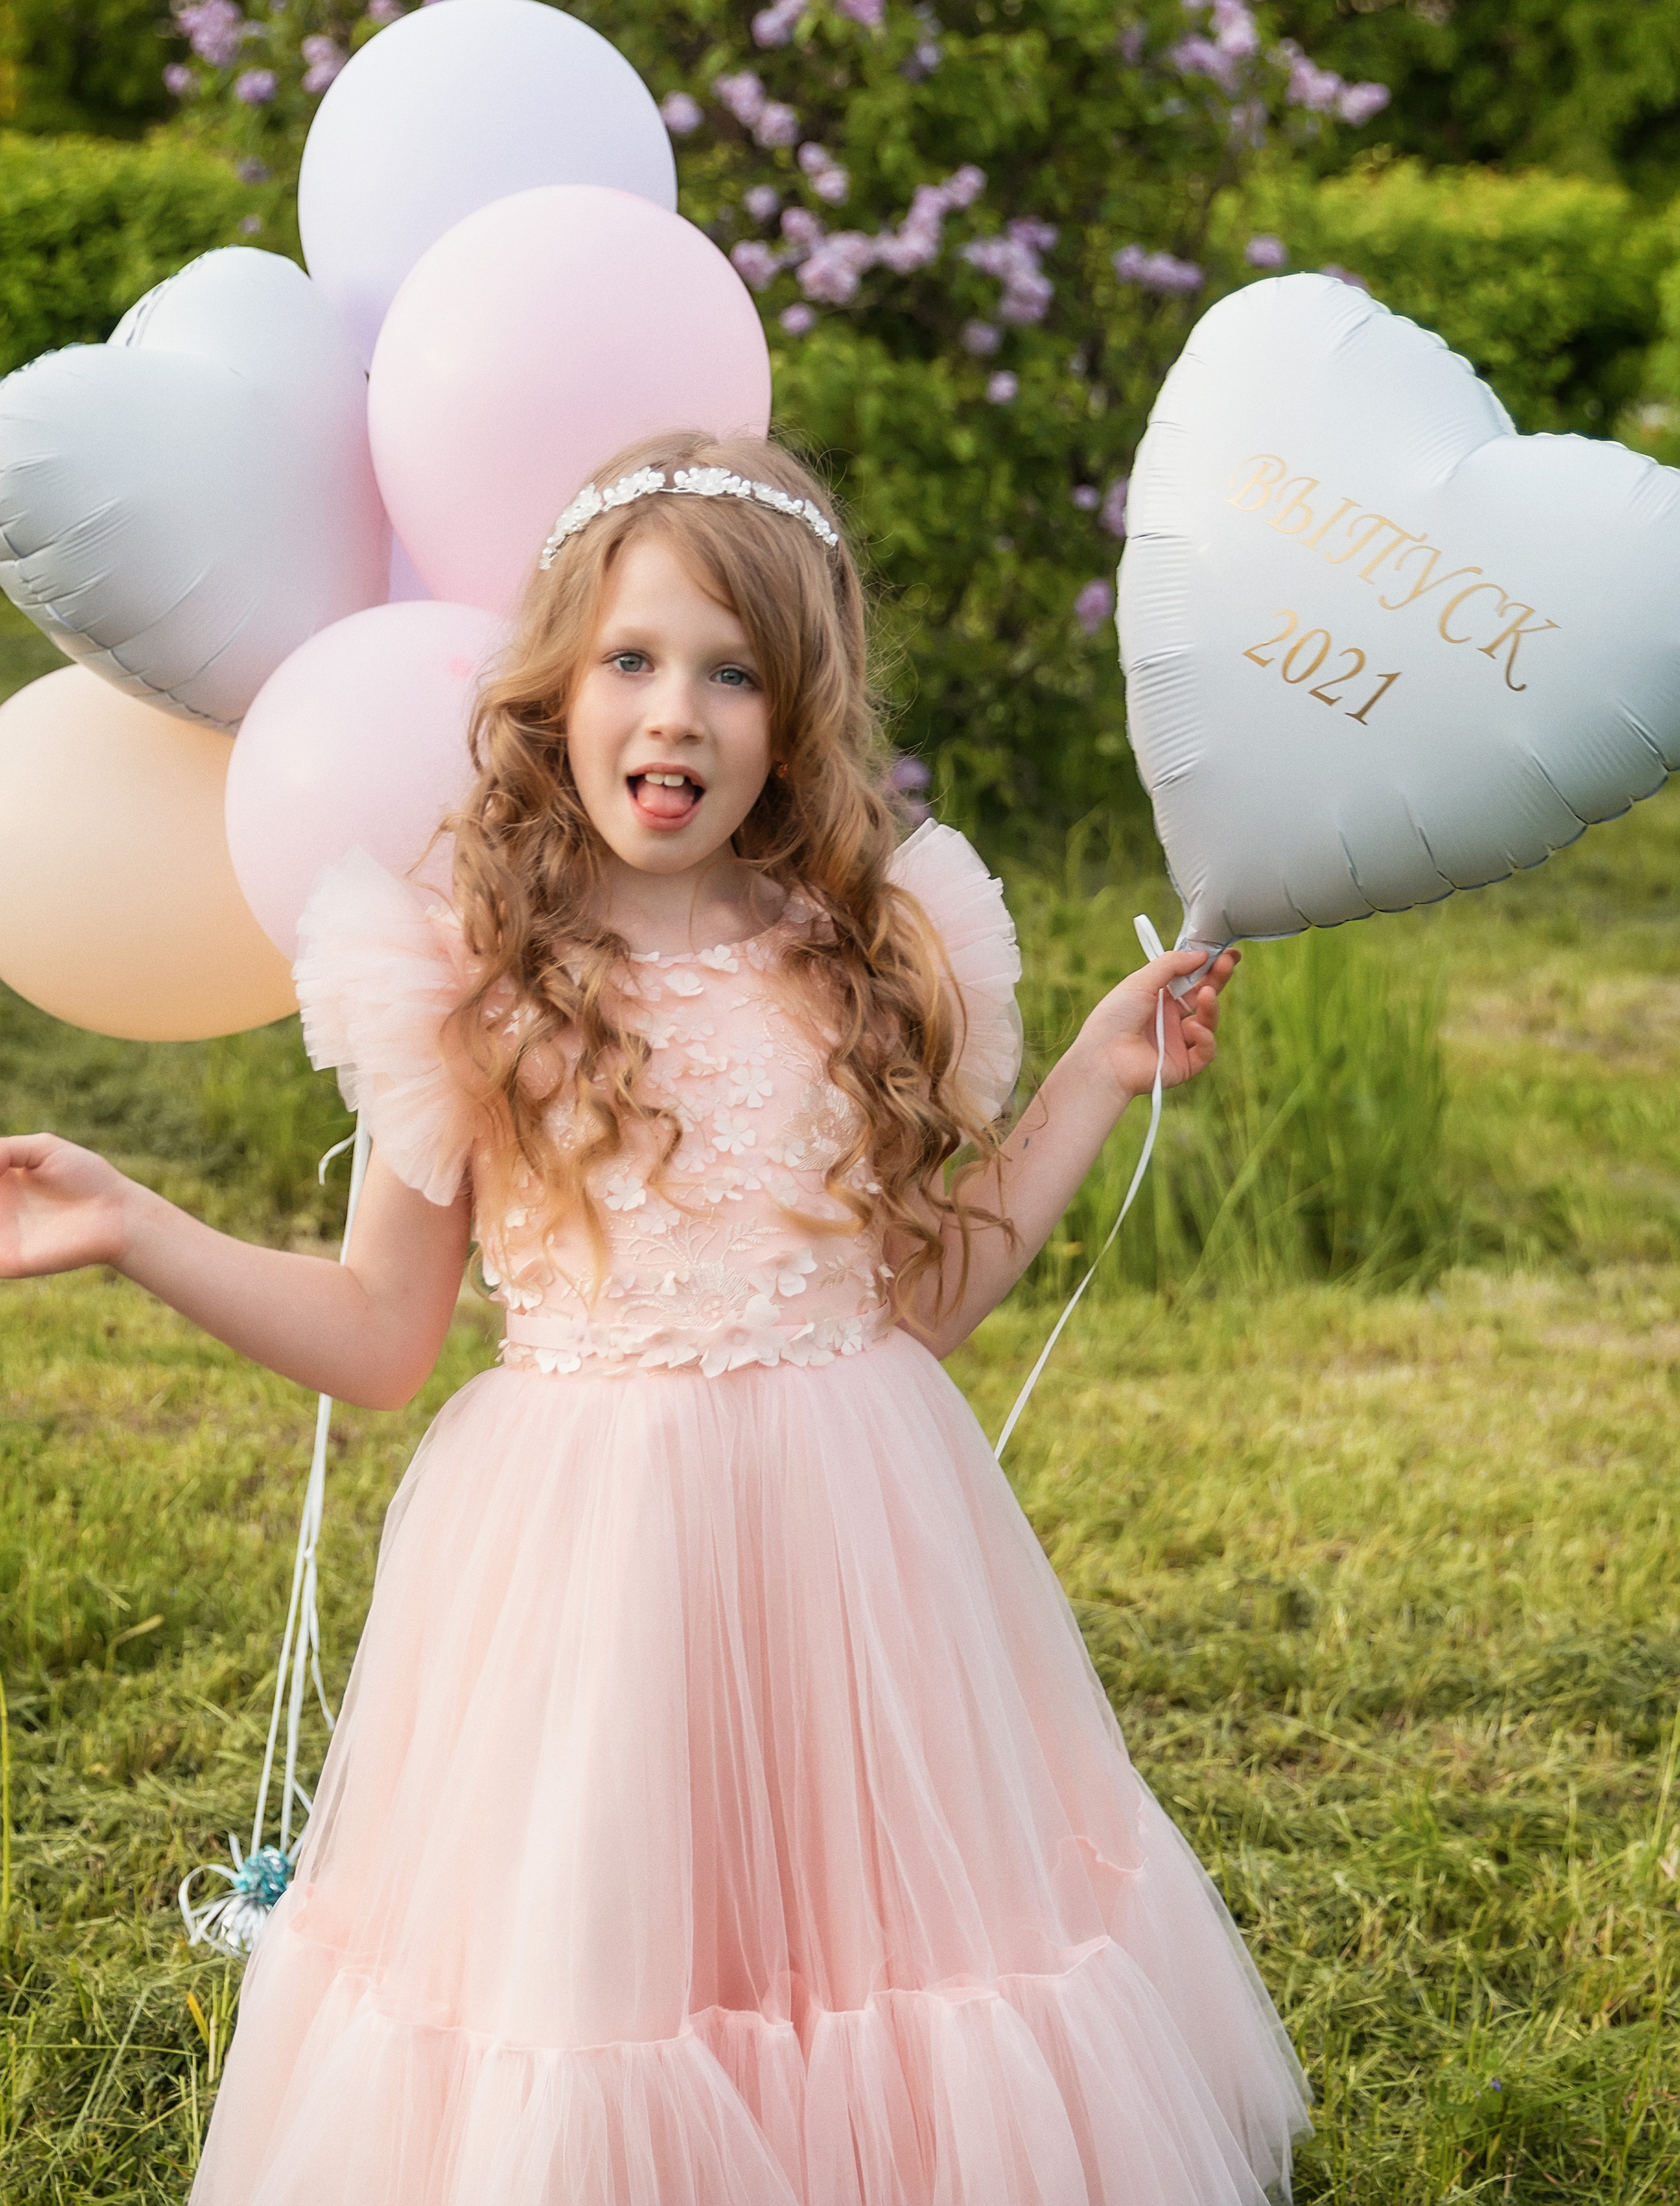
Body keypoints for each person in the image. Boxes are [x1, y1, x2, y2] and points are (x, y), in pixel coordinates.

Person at [0, 430, 1309, 2204]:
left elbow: (923, 1297)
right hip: (584, 1561)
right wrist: (133, 1224)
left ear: (796, 713)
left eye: (729, 674)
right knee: (602, 1954)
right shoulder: (458, 966)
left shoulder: (876, 943)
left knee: (867, 1937)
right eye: (630, 660)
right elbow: (384, 1334)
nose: (673, 715)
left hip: (859, 1538)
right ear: (557, 685)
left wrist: (1090, 1072)